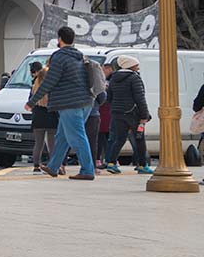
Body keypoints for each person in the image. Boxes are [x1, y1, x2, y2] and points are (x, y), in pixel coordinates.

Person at [34, 26, 96, 180]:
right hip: (86, 101)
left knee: (77, 137)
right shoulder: (79, 55)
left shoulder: (59, 57)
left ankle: (87, 170)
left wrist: (32, 101)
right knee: (62, 136)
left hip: (70, 103)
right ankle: (53, 166)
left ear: (59, 39)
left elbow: (50, 81)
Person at [103, 55, 152, 174]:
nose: (138, 67)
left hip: (117, 113)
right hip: (133, 113)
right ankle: (142, 165)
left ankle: (111, 163)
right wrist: (145, 115)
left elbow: (109, 97)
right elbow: (140, 98)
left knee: (119, 139)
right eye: (136, 65)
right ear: (131, 66)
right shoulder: (134, 78)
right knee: (139, 139)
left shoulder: (114, 78)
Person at [27, 61, 58, 174]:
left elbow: (30, 100)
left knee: (38, 143)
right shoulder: (52, 86)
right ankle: (53, 164)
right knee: (52, 143)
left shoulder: (35, 85)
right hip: (51, 114)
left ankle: (36, 165)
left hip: (38, 115)